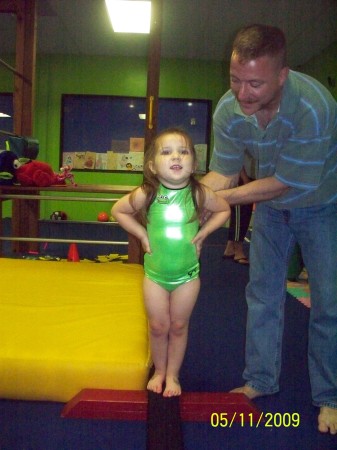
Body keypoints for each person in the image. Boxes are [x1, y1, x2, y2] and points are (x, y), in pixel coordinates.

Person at [202, 24, 337, 434]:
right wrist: (184, 198)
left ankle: (329, 397)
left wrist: (220, 200)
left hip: (321, 206)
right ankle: (260, 380)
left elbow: (289, 181)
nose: (242, 93)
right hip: (271, 211)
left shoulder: (314, 106)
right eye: (235, 79)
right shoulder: (228, 110)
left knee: (329, 303)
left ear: (282, 75)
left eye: (255, 83)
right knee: (261, 294)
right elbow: (222, 174)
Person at [112, 128, 230, 397]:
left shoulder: (199, 193)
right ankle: (159, 371)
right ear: (153, 166)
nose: (176, 156)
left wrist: (203, 234)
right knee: (157, 326)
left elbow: (224, 209)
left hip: (187, 276)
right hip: (154, 275)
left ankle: (173, 375)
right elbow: (118, 210)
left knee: (178, 326)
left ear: (194, 164)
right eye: (166, 152)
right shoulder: (149, 192)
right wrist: (141, 234)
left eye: (183, 151)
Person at [223, 164, 254, 264]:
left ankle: (230, 247)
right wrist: (244, 179)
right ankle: (238, 249)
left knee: (245, 213)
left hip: (250, 177)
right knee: (240, 214)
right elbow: (239, 159)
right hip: (240, 178)